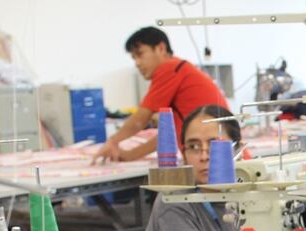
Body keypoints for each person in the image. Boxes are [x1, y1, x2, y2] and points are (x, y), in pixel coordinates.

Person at [142, 105, 240, 231]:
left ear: (237, 149)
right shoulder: (173, 201)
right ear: (184, 154)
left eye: (214, 144)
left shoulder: (244, 194)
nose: (204, 156)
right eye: (194, 147)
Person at [94, 27, 227, 163]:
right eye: (134, 58)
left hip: (212, 155)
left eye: (140, 54)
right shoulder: (180, 69)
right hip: (220, 152)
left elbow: (140, 119)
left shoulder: (169, 69)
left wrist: (113, 141)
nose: (137, 63)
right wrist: (129, 155)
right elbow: (168, 135)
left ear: (161, 48)